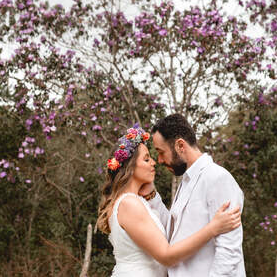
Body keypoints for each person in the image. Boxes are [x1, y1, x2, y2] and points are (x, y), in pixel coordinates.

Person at [97, 124, 241, 277]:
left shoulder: (137, 201)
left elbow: (169, 235)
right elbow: (166, 255)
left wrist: (152, 195)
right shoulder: (129, 204)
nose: (154, 162)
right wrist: (212, 228)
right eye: (147, 159)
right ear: (130, 168)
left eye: (157, 154)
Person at [142, 114, 246, 276]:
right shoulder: (187, 181)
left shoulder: (217, 178)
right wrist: (151, 195)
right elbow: (174, 234)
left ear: (180, 146)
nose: (160, 160)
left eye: (161, 152)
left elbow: (229, 252)